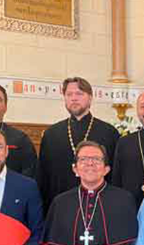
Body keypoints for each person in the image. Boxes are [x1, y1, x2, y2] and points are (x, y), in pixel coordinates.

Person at [38, 77, 120, 212]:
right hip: (60, 207)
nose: (74, 98)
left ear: (90, 98)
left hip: (100, 206)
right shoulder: (51, 134)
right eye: (69, 94)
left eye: (79, 94)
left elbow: (115, 176)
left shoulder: (109, 133)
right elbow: (43, 177)